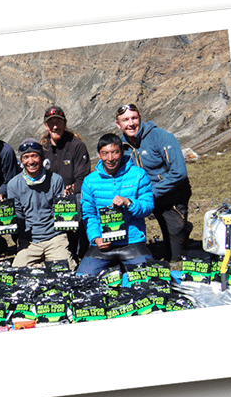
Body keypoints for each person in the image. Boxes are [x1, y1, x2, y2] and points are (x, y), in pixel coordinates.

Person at [116, 103, 193, 262]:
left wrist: (151, 192)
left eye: (134, 118)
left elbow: (179, 172)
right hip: (152, 196)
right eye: (125, 120)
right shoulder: (123, 146)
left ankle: (181, 231)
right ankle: (176, 234)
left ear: (140, 118)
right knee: (165, 231)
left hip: (173, 194)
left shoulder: (160, 136)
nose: (131, 123)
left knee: (176, 255)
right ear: (118, 124)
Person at [76, 133, 155, 276]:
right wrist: (95, 238)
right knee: (82, 278)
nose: (110, 158)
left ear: (122, 152)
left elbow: (148, 207)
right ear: (99, 154)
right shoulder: (90, 181)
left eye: (115, 152)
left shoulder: (139, 175)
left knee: (144, 281)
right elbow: (89, 214)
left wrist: (129, 202)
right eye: (105, 153)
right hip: (103, 244)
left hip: (132, 241)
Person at [7, 138, 77, 271]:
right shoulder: (13, 184)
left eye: (34, 156)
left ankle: (42, 265)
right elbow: (18, 215)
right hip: (29, 241)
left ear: (42, 159)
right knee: (17, 273)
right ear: (21, 161)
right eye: (26, 157)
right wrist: (5, 212)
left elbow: (59, 215)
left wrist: (65, 203)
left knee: (66, 271)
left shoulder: (56, 180)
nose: (31, 161)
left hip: (55, 237)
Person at [40, 105, 91, 259]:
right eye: (51, 123)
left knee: (79, 203)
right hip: (48, 195)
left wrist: (71, 189)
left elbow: (83, 178)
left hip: (72, 195)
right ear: (46, 125)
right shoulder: (42, 148)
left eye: (59, 122)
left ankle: (80, 252)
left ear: (65, 123)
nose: (55, 126)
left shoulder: (77, 146)